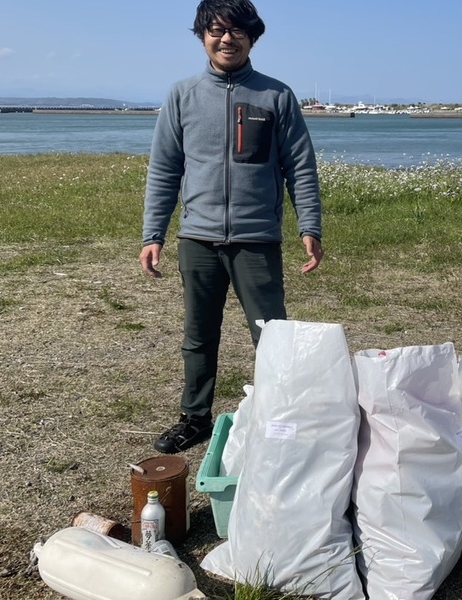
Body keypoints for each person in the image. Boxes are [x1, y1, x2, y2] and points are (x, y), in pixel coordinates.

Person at [140, 0, 323, 454]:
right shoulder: (181, 95)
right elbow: (165, 169)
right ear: (202, 35)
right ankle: (195, 416)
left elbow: (300, 167)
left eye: (237, 31)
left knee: (272, 334)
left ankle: (281, 416)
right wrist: (153, 234)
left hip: (257, 239)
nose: (227, 39)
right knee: (198, 334)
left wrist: (310, 225)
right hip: (198, 239)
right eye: (216, 30)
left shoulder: (276, 96)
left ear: (253, 36)